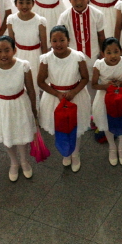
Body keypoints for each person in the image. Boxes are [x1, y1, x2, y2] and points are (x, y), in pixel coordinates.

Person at [0, 35, 37, 182]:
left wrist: (33, 108)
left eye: (7, 50)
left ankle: (24, 160)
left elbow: (31, 89)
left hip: (20, 103)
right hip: (1, 106)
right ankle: (14, 162)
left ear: (14, 50)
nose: (3, 54)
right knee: (7, 133)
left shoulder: (23, 66)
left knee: (22, 132)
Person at [37, 25, 91, 172]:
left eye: (62, 40)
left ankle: (76, 153)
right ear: (50, 42)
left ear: (68, 40)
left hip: (76, 95)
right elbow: (40, 81)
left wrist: (73, 92)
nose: (58, 44)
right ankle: (66, 152)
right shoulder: (46, 59)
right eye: (54, 41)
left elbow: (85, 78)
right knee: (61, 126)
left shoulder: (78, 57)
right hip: (55, 97)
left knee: (75, 126)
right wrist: (57, 94)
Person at [91, 38, 122, 166]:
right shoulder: (99, 65)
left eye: (116, 51)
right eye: (108, 52)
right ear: (102, 53)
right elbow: (94, 85)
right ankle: (112, 146)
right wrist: (106, 86)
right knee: (106, 122)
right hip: (105, 98)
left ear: (121, 51)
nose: (113, 55)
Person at [57, 0, 106, 92]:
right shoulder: (64, 17)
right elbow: (62, 39)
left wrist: (102, 54)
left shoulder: (97, 14)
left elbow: (101, 36)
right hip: (72, 60)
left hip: (94, 57)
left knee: (93, 87)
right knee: (75, 87)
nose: (79, 2)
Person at [7, 0, 48, 94]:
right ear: (15, 3)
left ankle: (37, 103)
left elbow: (44, 46)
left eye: (28, 2)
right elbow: (11, 43)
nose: (24, 6)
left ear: (33, 3)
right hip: (18, 55)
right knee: (20, 85)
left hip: (35, 56)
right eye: (21, 2)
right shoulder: (11, 20)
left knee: (35, 84)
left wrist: (45, 64)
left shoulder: (40, 21)